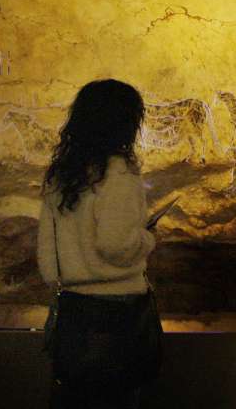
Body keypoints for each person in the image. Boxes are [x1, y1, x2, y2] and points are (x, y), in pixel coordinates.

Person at [37, 79, 157, 409]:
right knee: (116, 397)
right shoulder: (118, 173)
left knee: (75, 396)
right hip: (117, 308)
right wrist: (147, 238)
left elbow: (47, 246)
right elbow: (116, 245)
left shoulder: (62, 174)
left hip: (72, 304)